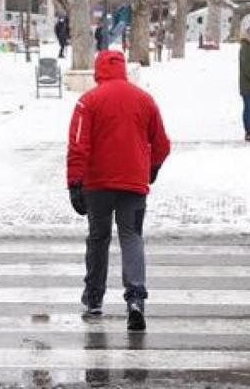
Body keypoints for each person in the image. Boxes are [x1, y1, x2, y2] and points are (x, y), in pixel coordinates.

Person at [66, 50, 171, 331]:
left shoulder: (88, 102)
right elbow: (161, 142)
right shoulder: (144, 99)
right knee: (131, 236)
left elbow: (78, 145)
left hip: (97, 185)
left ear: (98, 69)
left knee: (98, 238)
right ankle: (135, 299)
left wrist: (74, 183)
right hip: (134, 184)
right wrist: (152, 168)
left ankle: (94, 299)